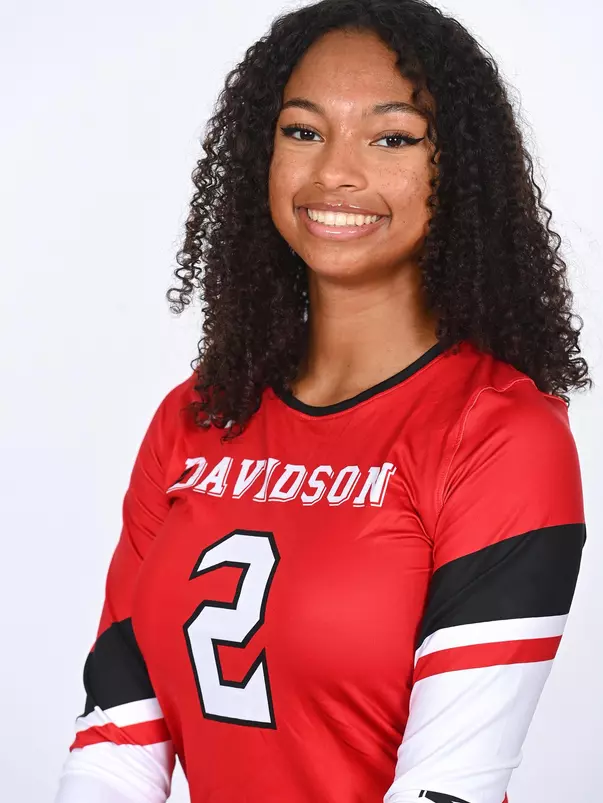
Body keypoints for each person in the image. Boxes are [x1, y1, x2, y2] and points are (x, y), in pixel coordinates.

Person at [53, 1, 591, 801]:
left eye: (392, 137)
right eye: (302, 131)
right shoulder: (195, 415)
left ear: (460, 172)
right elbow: (114, 741)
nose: (335, 172)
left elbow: (450, 790)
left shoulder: (502, 435)